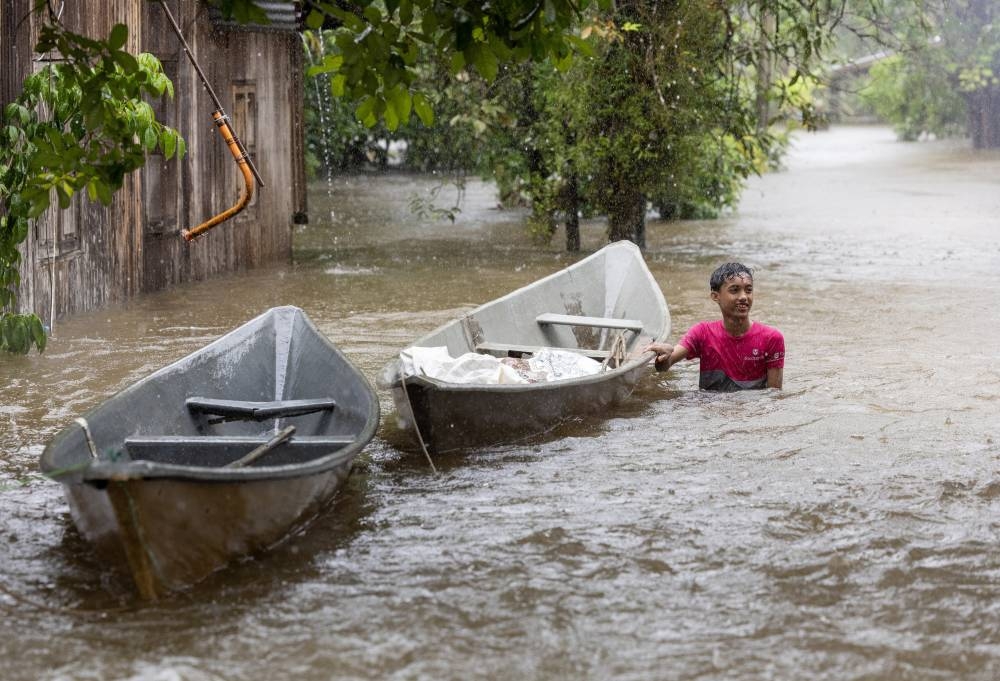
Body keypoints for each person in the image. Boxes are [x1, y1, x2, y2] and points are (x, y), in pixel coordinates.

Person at [645, 262, 784, 390]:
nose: (743, 297)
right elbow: (663, 366)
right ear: (715, 296)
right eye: (734, 290)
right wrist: (665, 356)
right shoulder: (703, 333)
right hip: (710, 408)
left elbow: (773, 396)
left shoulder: (771, 338)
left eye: (748, 290)